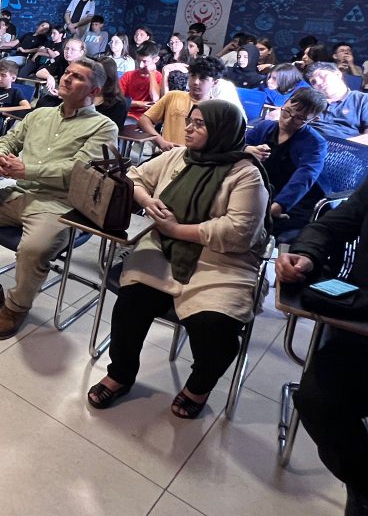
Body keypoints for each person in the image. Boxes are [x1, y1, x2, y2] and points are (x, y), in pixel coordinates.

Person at [88, 100, 271, 418]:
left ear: (221, 131)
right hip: (165, 250)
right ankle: (121, 373)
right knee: (130, 304)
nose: (188, 128)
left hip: (220, 261)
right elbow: (134, 176)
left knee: (216, 328)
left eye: (199, 124)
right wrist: (148, 201)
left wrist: (176, 228)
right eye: (190, 121)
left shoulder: (245, 175)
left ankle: (198, 387)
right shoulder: (178, 156)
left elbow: (238, 232)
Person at [0, 57, 118, 340]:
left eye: (77, 77)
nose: (66, 78)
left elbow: (79, 171)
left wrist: (27, 170)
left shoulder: (103, 127)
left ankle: (17, 306)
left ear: (94, 91)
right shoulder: (40, 114)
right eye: (67, 72)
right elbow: (7, 141)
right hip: (20, 193)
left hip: (60, 204)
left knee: (34, 248)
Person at [277, 173, 368, 516]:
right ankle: (365, 487)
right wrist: (306, 255)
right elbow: (326, 228)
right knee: (318, 399)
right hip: (365, 328)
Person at [244, 88, 328, 239]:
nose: (288, 120)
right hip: (264, 191)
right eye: (287, 111)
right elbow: (236, 145)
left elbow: (305, 177)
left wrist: (281, 204)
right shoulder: (265, 128)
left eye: (299, 118)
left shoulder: (315, 143)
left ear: (313, 119)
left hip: (295, 201)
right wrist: (247, 149)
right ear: (284, 104)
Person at [138, 57, 227, 149]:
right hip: (167, 154)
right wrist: (160, 141)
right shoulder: (173, 96)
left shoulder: (218, 109)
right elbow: (144, 120)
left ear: (215, 82)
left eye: (203, 78)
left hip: (196, 156)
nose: (196, 82)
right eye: (193, 76)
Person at [307, 62, 368, 139]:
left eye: (322, 76)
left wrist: (341, 144)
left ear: (338, 74)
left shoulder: (364, 100)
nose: (318, 83)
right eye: (313, 82)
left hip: (344, 144)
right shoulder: (311, 102)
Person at [34, 37, 86, 105]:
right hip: (61, 95)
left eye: (73, 50)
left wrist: (62, 95)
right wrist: (49, 77)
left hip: (76, 101)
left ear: (81, 53)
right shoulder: (61, 59)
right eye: (66, 48)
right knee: (42, 102)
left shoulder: (87, 68)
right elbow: (39, 71)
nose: (68, 52)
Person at [120, 41, 163, 120]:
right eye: (138, 61)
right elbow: (118, 100)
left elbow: (155, 99)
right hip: (129, 115)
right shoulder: (128, 75)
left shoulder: (159, 77)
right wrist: (138, 103)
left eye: (145, 61)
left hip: (149, 117)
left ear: (156, 59)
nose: (140, 65)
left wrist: (152, 73)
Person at [95, 55, 130, 131]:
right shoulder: (83, 95)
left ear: (109, 76)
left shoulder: (118, 104)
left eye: (99, 74)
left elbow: (112, 130)